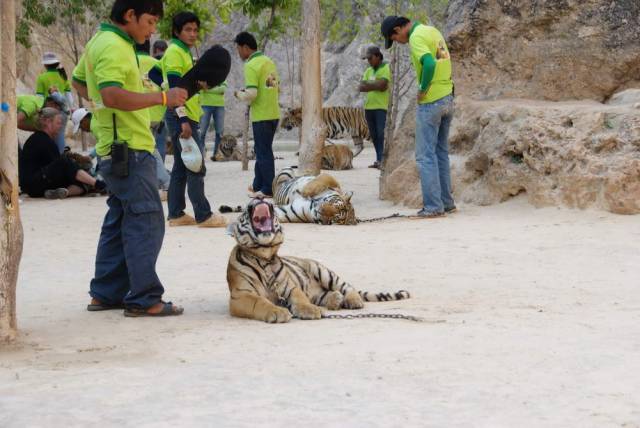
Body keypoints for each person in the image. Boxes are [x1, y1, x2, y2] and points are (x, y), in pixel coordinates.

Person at [72, 0, 189, 316]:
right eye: (150, 22)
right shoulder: (114, 45)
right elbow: (109, 94)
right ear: (129, 16)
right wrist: (162, 97)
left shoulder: (100, 40)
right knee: (147, 220)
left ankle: (106, 293)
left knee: (120, 219)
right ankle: (144, 298)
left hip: (114, 147)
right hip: (128, 148)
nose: (152, 30)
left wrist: (102, 101)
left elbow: (79, 80)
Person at [381, 15, 456, 218]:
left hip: (431, 101)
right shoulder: (432, 30)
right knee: (441, 153)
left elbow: (430, 63)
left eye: (394, 38)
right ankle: (447, 203)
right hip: (448, 96)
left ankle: (433, 207)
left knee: (424, 156)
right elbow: (442, 59)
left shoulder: (415, 38)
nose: (397, 42)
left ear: (398, 29)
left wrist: (423, 88)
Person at [158, 11, 226, 227]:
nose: (193, 34)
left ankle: (176, 214)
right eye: (188, 29)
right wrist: (183, 121)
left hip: (186, 115)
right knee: (196, 165)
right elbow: (175, 89)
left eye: (195, 30)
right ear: (177, 31)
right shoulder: (175, 53)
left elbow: (188, 87)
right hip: (181, 116)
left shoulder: (184, 52)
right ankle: (203, 215)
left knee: (180, 166)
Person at [18, 108, 104, 199]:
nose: (60, 126)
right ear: (48, 122)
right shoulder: (42, 140)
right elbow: (61, 166)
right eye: (58, 123)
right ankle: (98, 184)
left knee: (82, 183)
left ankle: (65, 192)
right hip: (35, 185)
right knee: (66, 162)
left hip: (34, 186)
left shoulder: (40, 138)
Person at [234, 31, 280, 198]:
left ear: (245, 48)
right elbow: (273, 87)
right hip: (274, 113)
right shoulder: (269, 62)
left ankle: (268, 188)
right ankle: (257, 185)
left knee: (263, 152)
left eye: (238, 49)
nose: (238, 53)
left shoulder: (251, 65)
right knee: (262, 149)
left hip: (261, 115)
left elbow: (252, 93)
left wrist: (238, 94)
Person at [136, 41, 171, 196]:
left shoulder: (131, 62)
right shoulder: (157, 63)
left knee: (149, 148)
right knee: (153, 146)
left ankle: (165, 181)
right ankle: (156, 180)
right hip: (158, 112)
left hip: (140, 112)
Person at [358, 46, 391, 169]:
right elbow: (361, 86)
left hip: (381, 107)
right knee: (374, 135)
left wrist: (370, 85)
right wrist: (375, 84)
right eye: (367, 59)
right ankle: (378, 160)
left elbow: (383, 85)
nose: (369, 61)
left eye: (370, 58)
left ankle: (383, 160)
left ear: (378, 56)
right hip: (369, 108)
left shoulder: (386, 68)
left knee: (381, 133)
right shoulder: (368, 70)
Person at [35, 52, 73, 152]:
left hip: (48, 113)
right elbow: (69, 96)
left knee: (46, 139)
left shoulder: (42, 77)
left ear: (45, 65)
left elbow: (39, 97)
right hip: (62, 112)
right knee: (60, 139)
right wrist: (70, 109)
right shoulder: (63, 76)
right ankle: (61, 161)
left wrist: (38, 110)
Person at [199, 80, 227, 160]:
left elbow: (223, 89)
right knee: (202, 132)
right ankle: (200, 156)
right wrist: (216, 89)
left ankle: (217, 155)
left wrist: (207, 89)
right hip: (205, 104)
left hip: (220, 105)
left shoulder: (221, 72)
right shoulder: (203, 73)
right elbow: (200, 88)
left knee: (220, 132)